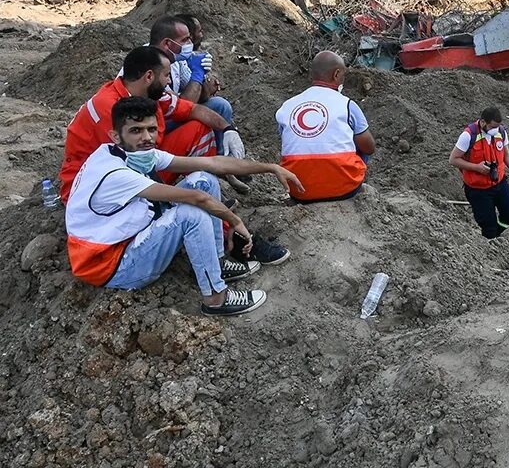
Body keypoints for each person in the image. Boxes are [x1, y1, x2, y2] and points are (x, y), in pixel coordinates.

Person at [66, 97, 303, 316]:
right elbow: (196, 200)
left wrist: (270, 167)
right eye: (136, 131)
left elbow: (212, 163)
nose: (147, 137)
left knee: (204, 178)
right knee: (190, 214)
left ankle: (217, 265)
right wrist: (235, 221)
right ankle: (216, 299)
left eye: (151, 129)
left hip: (122, 243)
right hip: (111, 266)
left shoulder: (131, 153)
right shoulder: (114, 172)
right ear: (116, 136)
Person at [61, 46, 242, 202]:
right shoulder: (108, 108)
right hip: (93, 188)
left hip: (135, 163)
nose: (169, 81)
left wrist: (228, 129)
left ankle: (207, 192)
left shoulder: (145, 93)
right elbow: (130, 166)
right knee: (190, 212)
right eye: (166, 75)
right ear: (149, 76)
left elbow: (193, 109)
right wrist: (180, 198)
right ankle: (202, 203)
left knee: (198, 128)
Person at [277, 51, 376, 203]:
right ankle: (351, 183)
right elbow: (369, 148)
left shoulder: (286, 107)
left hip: (299, 192)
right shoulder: (347, 105)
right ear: (336, 74)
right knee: (359, 141)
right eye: (343, 75)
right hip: (345, 190)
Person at [449, 107, 509, 239]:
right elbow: (453, 159)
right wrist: (476, 167)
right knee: (488, 225)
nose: (496, 130)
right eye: (493, 126)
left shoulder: (500, 133)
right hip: (478, 190)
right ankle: (491, 240)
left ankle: (495, 235)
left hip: (499, 182)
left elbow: (507, 156)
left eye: (498, 126)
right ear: (482, 122)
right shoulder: (468, 136)